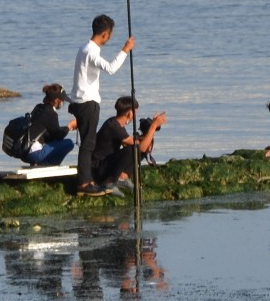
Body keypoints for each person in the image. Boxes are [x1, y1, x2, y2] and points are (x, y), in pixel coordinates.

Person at [69, 14, 134, 196]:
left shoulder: (84, 49)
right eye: (110, 35)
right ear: (105, 34)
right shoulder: (91, 52)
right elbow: (111, 69)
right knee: (88, 144)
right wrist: (125, 50)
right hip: (87, 103)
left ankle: (87, 179)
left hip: (81, 101)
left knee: (87, 143)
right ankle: (84, 183)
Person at [89, 95, 164, 191]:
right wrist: (153, 126)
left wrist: (150, 131)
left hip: (105, 164)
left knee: (137, 150)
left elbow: (137, 144)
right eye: (135, 112)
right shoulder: (113, 126)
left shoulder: (116, 124)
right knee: (133, 149)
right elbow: (139, 147)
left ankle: (122, 177)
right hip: (98, 168)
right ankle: (110, 182)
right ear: (129, 113)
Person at [13, 83, 79, 168]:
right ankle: (50, 164)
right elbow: (59, 135)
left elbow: (49, 132)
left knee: (54, 142)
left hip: (24, 152)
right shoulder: (51, 114)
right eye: (62, 100)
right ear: (56, 100)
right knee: (68, 143)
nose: (63, 103)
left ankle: (44, 163)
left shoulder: (39, 108)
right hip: (34, 154)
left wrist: (66, 128)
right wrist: (70, 126)